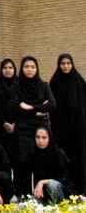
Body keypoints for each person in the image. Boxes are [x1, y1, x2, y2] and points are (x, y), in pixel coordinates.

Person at [9, 56, 56, 199]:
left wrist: (30, 107)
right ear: (22, 69)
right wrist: (38, 111)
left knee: (42, 161)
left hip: (40, 129)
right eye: (26, 67)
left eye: (32, 67)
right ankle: (24, 195)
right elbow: (14, 107)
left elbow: (52, 105)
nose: (29, 70)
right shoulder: (17, 86)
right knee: (24, 162)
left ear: (37, 69)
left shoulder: (43, 85)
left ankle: (42, 195)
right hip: (23, 131)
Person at [49, 53, 86, 194]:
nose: (65, 66)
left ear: (72, 64)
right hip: (61, 130)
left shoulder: (79, 82)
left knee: (79, 157)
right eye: (63, 64)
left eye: (68, 63)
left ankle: (81, 188)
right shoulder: (55, 82)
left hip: (78, 129)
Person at [32, 125, 76, 204]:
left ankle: (61, 206)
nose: (40, 141)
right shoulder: (34, 153)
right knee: (30, 202)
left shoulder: (58, 153)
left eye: (44, 138)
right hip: (43, 192)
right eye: (37, 137)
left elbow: (64, 179)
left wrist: (42, 182)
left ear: (50, 138)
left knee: (52, 185)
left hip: (61, 189)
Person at [0, 59, 18, 163]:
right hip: (1, 128)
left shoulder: (20, 86)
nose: (8, 70)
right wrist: (4, 123)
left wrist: (16, 122)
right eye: (5, 68)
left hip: (18, 127)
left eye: (10, 68)